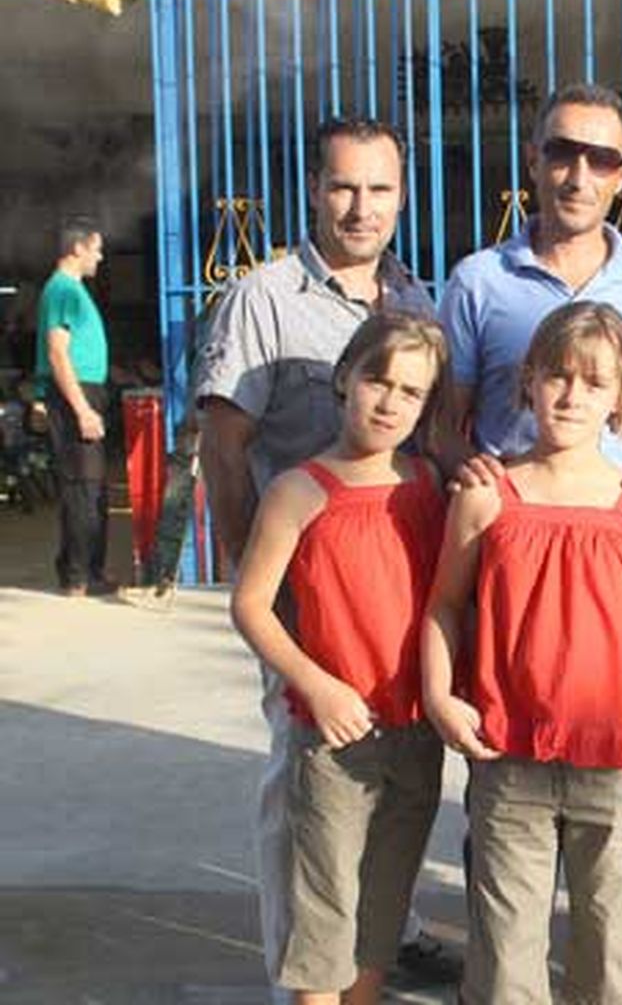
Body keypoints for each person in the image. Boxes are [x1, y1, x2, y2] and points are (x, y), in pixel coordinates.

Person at [193, 117, 459, 991]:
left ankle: (379, 938)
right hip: (304, 599)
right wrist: (259, 591)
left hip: (389, 602)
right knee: (301, 804)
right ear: (315, 188)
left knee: (383, 801)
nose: (361, 206)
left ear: (401, 195)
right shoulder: (264, 297)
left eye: (380, 189)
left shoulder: (413, 301)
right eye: (344, 186)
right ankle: (298, 970)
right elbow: (226, 448)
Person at [420, 301, 622, 1004]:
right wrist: (440, 693)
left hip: (618, 758)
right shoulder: (486, 496)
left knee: (615, 950)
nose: (572, 395)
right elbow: (445, 603)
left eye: (594, 382)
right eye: (558, 376)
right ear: (529, 380)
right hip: (510, 755)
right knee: (506, 955)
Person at [229, 312, 450, 1005]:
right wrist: (316, 685)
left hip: (414, 733)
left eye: (410, 392)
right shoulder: (298, 490)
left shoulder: (428, 484)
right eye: (376, 381)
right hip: (331, 739)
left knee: (381, 909)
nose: (389, 401)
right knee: (323, 916)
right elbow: (251, 605)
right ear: (343, 379)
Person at [440, 82, 622, 510]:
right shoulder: (477, 281)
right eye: (563, 153)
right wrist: (475, 473)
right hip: (509, 530)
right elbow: (441, 426)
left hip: (618, 536)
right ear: (534, 160)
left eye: (602, 160)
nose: (579, 178)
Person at [35, 217, 111, 596]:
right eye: (96, 248)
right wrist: (82, 409)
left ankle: (87, 572)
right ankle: (79, 576)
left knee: (90, 488)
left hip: (84, 391)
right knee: (83, 488)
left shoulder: (70, 290)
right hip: (75, 395)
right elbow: (57, 353)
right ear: (78, 248)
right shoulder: (63, 290)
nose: (99, 256)